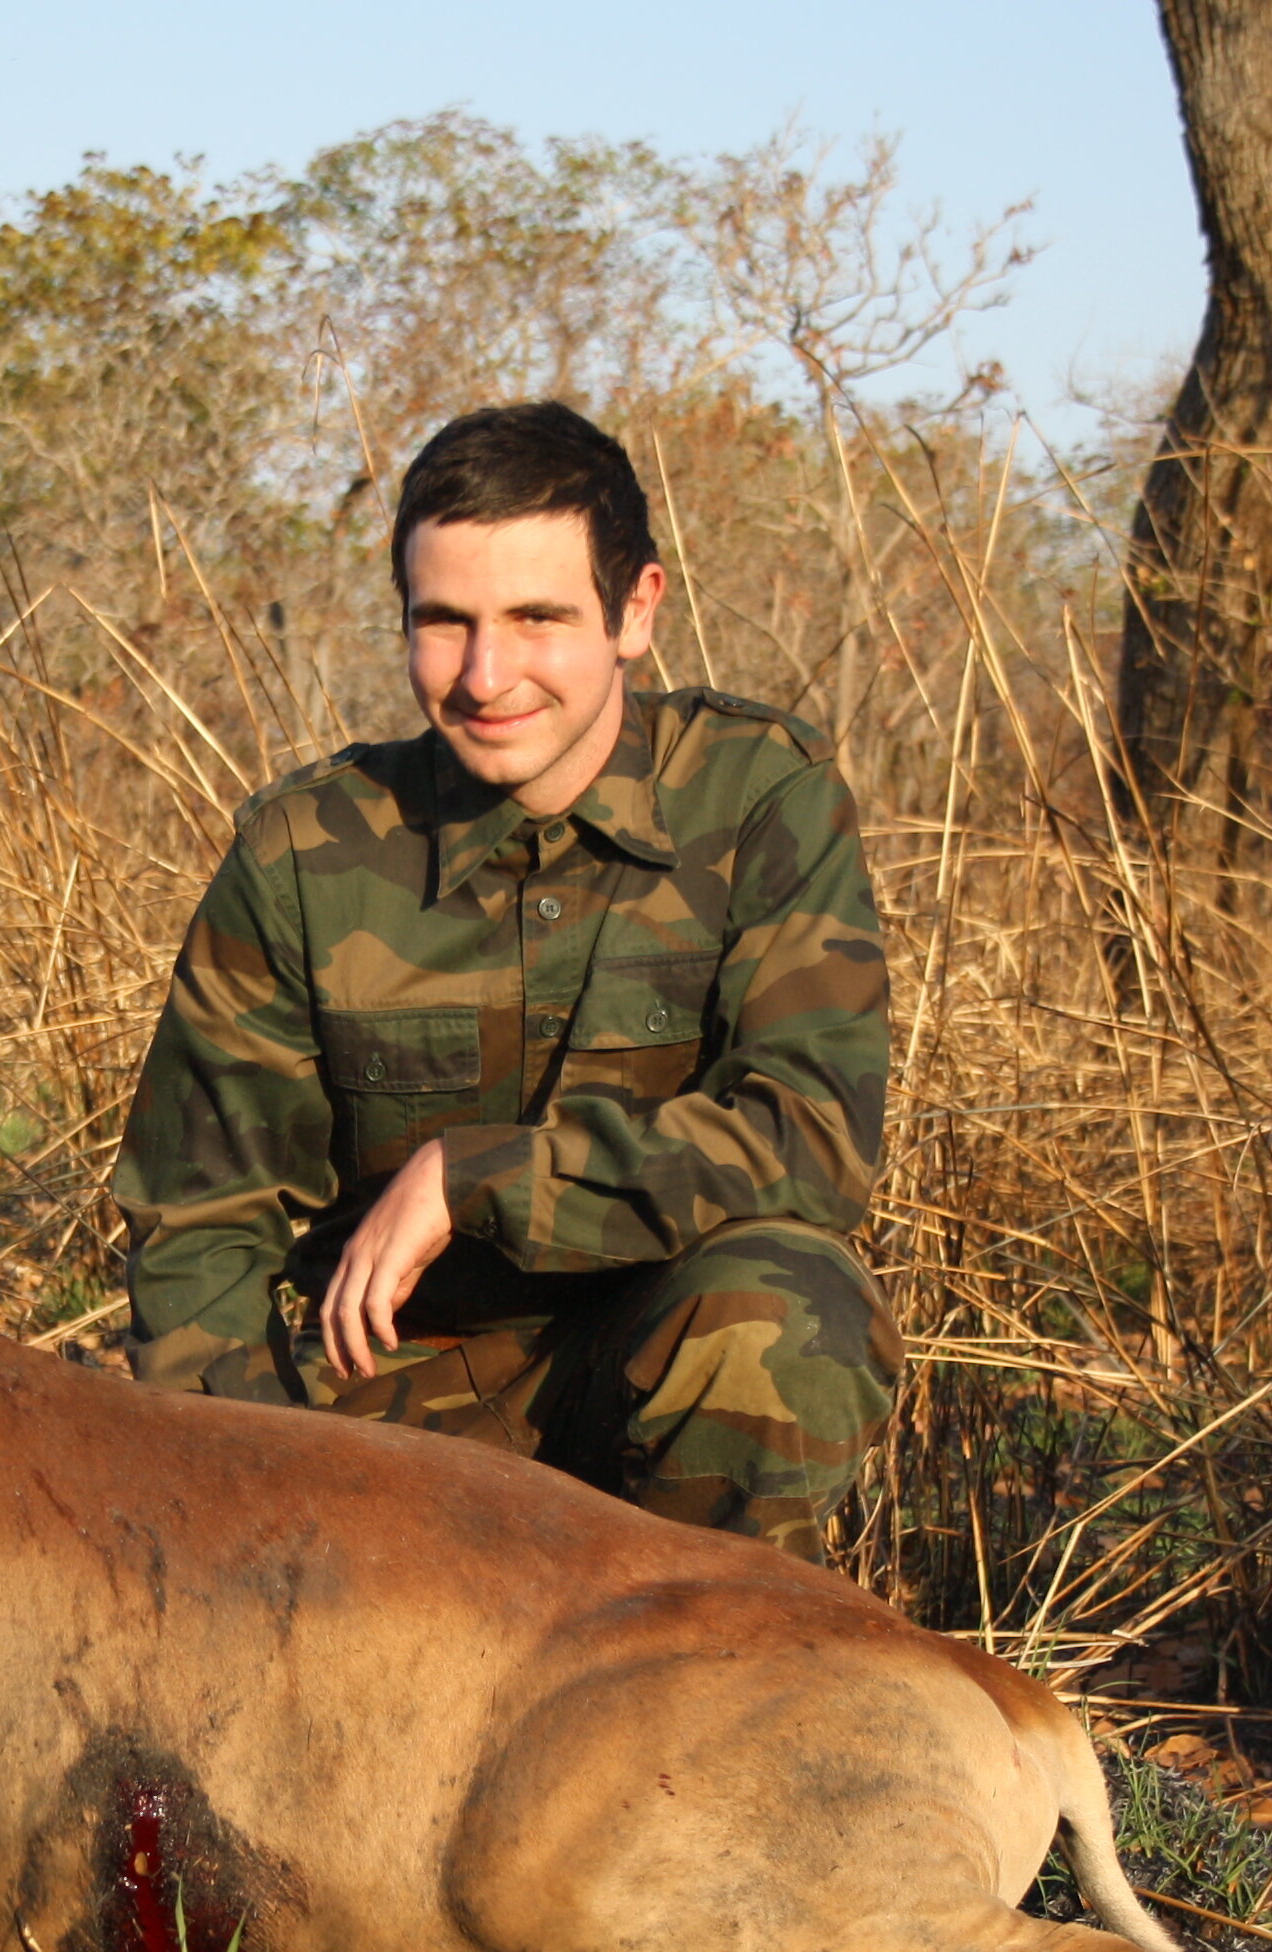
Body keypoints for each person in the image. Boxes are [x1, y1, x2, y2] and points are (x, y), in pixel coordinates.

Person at [110, 400, 897, 1561]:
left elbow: (811, 1137)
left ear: (636, 610)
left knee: (785, 1308)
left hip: (661, 1364)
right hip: (387, 1413)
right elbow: (198, 1233)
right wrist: (261, 1518)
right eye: (445, 622)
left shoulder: (759, 797)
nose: (486, 676)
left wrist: (479, 1178)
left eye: (537, 618)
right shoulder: (301, 851)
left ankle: (702, 1678)